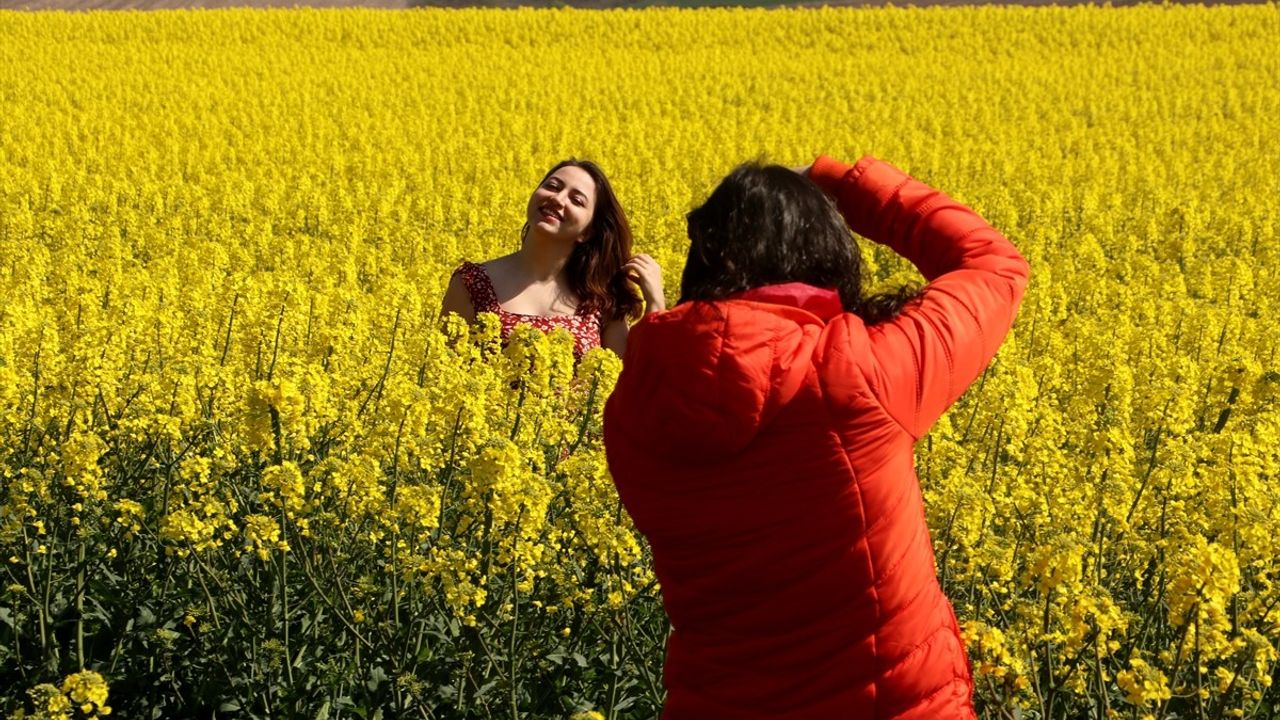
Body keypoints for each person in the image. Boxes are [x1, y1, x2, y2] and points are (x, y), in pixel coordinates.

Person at [602, 155, 1031, 719]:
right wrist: (843, 184)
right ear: (824, 252)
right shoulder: (857, 372)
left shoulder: (635, 408)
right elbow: (995, 265)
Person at [441, 159, 665, 360]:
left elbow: (633, 381)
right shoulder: (471, 282)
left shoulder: (600, 297)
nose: (557, 199)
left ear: (587, 232)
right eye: (552, 186)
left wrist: (655, 303)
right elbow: (444, 369)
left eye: (576, 200)